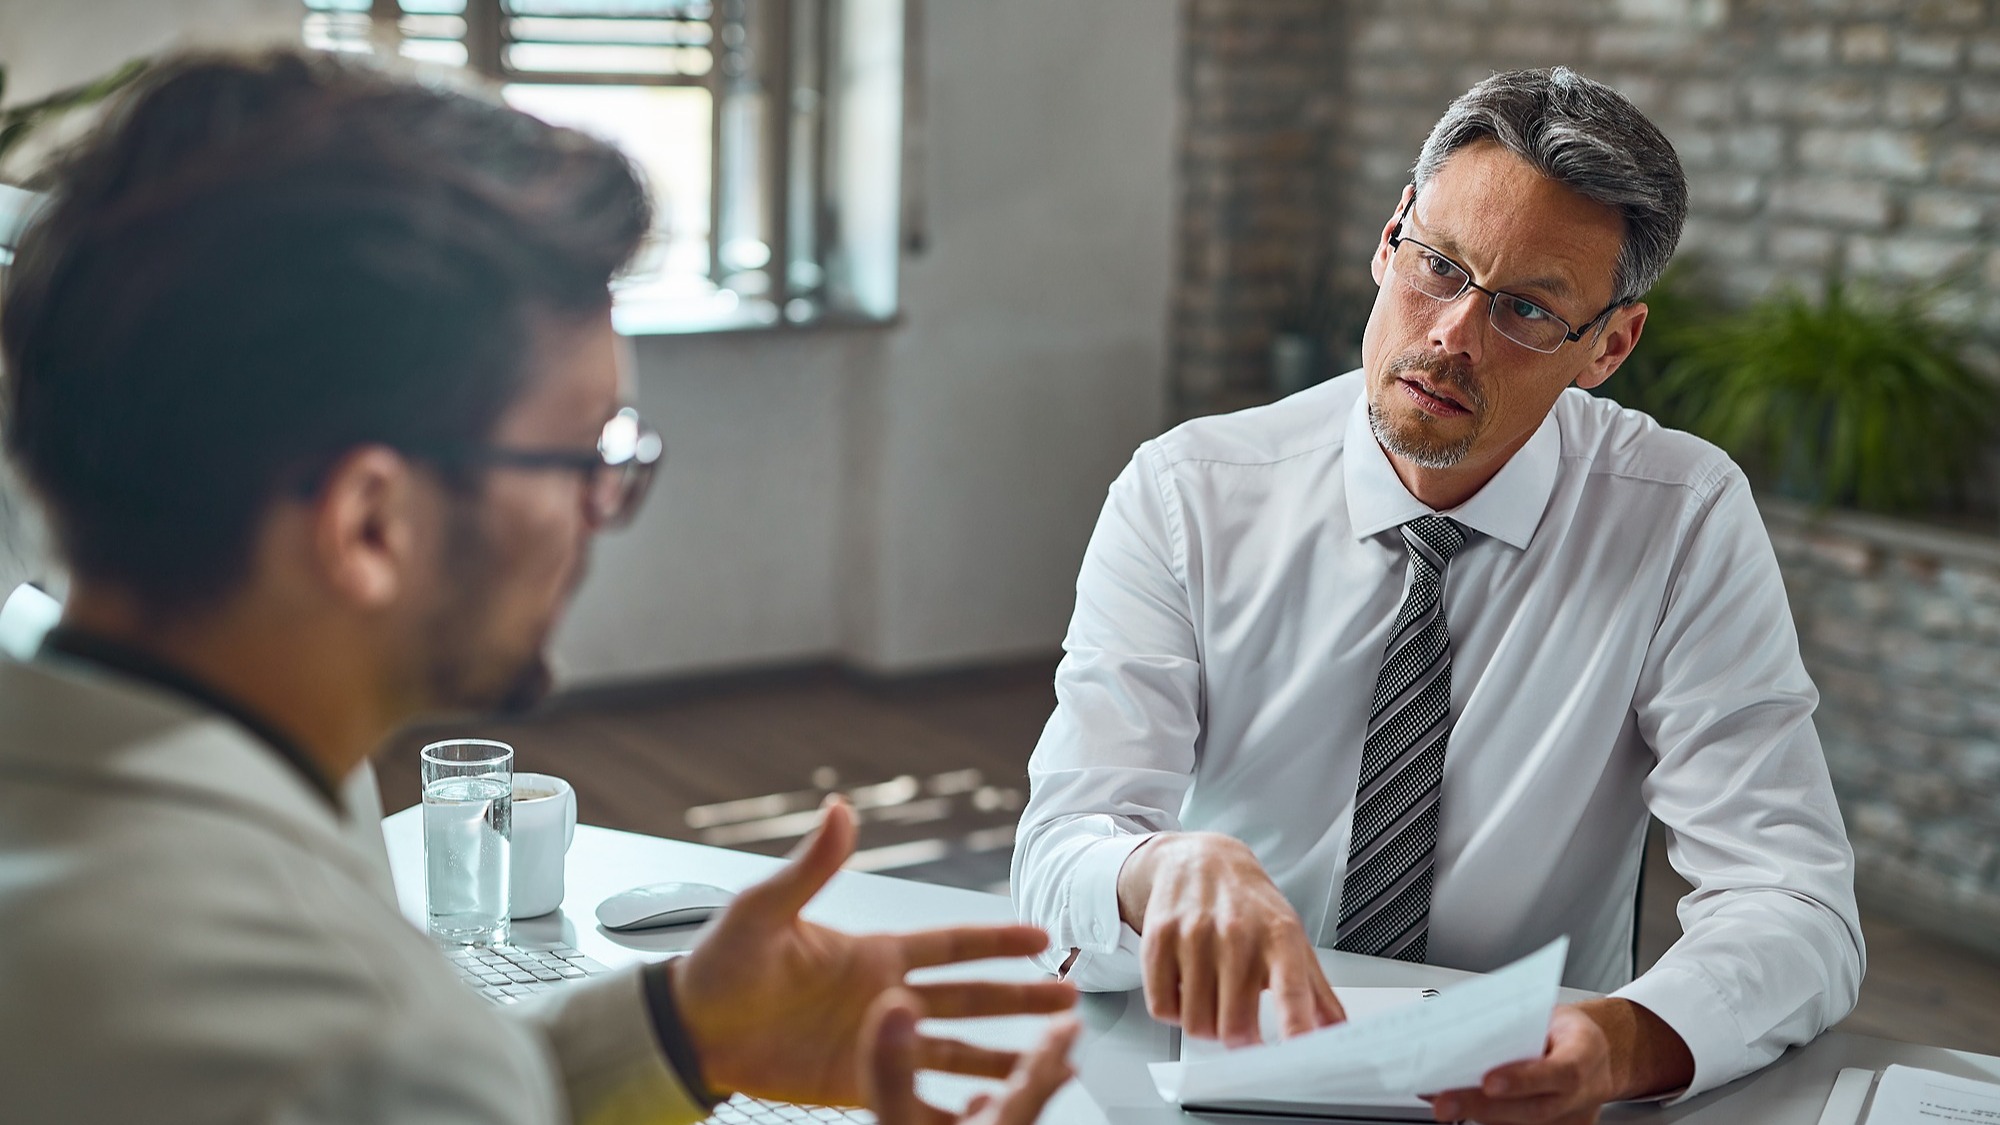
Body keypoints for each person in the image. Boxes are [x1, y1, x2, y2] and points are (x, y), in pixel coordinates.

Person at [0, 50, 1079, 1125]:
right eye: (578, 461)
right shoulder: (339, 1039)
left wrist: (669, 1036)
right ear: (369, 523)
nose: (600, 515)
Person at [1013, 66, 1864, 1123]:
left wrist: (1626, 1040)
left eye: (1523, 309)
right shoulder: (1187, 492)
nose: (1451, 335)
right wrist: (1151, 867)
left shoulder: (1679, 519)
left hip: (1519, 1093)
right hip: (1196, 1072)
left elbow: (1794, 902)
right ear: (1387, 243)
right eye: (1437, 267)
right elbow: (1058, 852)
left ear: (1607, 346)